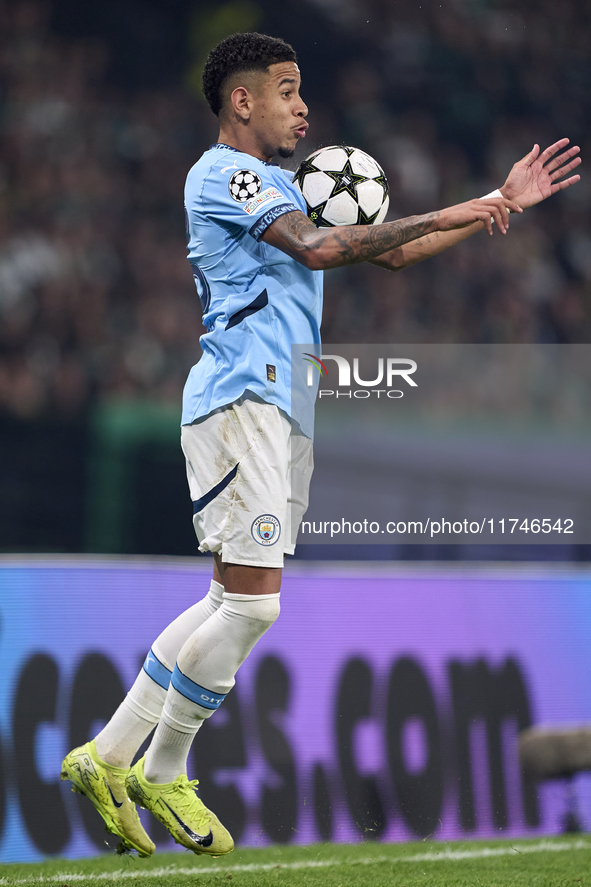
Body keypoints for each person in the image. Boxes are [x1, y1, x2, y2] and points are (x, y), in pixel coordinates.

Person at [60, 32, 581, 858]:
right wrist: (458, 205)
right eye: (287, 89)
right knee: (256, 603)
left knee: (226, 599)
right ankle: (163, 768)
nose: (303, 105)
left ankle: (105, 755)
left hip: (280, 405)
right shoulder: (222, 174)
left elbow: (395, 253)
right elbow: (321, 248)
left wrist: (498, 200)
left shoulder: (277, 183)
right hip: (243, 399)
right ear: (242, 101)